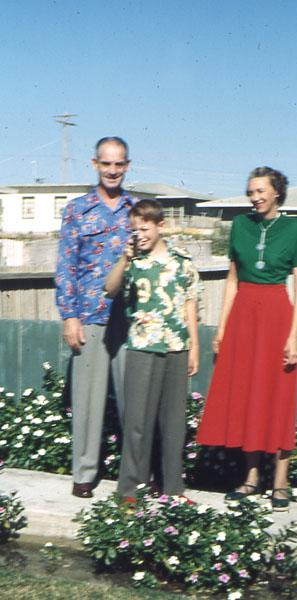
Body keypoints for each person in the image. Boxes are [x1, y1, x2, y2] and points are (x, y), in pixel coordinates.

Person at [196, 166, 297, 510]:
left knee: (278, 395)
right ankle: (250, 479)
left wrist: (294, 336)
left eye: (260, 191)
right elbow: (232, 280)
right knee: (248, 395)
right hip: (243, 315)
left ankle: (280, 482)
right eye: (250, 192)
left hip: (276, 315)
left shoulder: (295, 229)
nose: (255, 197)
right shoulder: (241, 226)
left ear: (277, 192)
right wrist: (222, 326)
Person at [104, 199, 200, 500]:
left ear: (161, 226)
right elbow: (109, 288)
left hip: (176, 346)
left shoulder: (182, 262)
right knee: (137, 422)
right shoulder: (132, 262)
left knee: (173, 423)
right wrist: (124, 259)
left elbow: (190, 306)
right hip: (143, 346)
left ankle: (172, 488)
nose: (139, 234)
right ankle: (131, 490)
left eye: (145, 228)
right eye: (134, 229)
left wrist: (194, 347)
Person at [55, 136, 134, 498]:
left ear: (127, 166)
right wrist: (69, 316)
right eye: (107, 164)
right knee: (87, 401)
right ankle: (84, 474)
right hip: (89, 315)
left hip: (132, 320)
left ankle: (134, 476)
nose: (113, 170)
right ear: (95, 164)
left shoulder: (137, 210)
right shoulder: (77, 210)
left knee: (135, 399)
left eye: (119, 164)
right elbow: (66, 267)